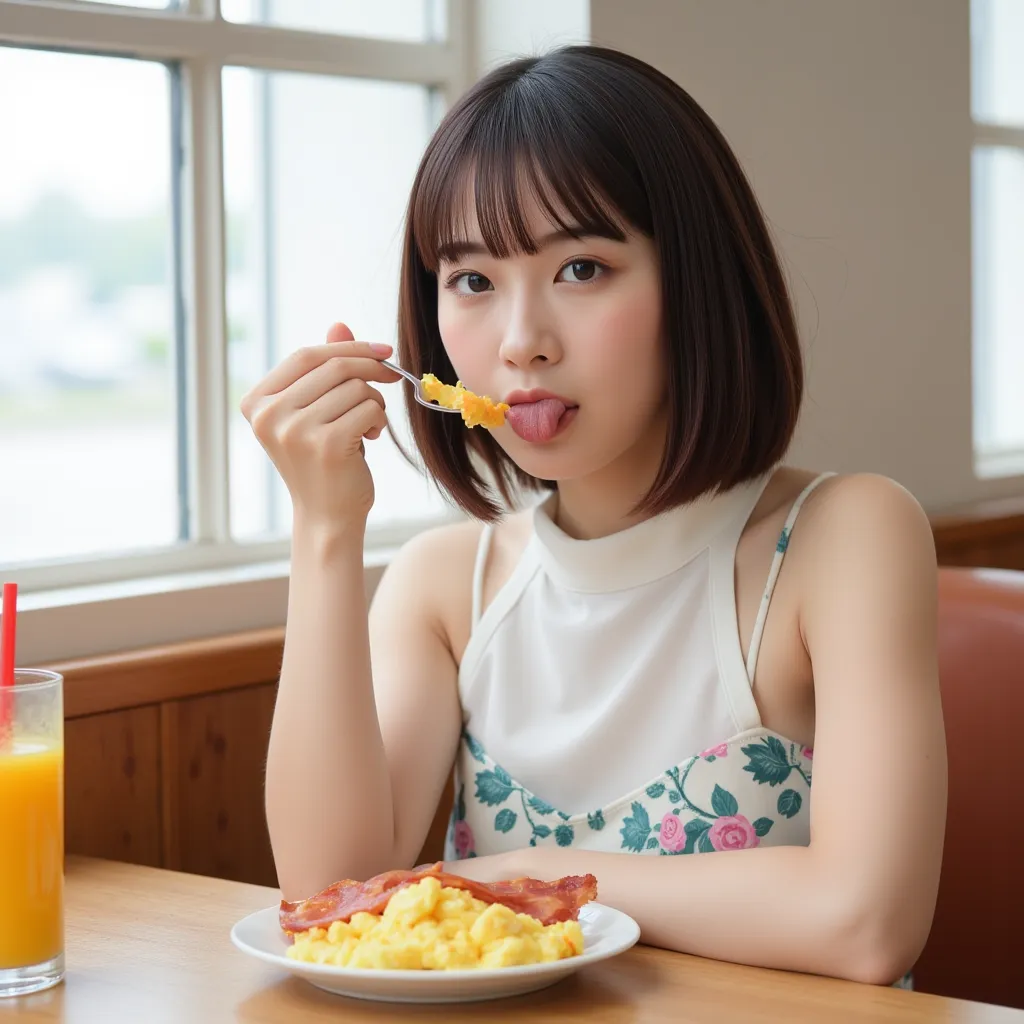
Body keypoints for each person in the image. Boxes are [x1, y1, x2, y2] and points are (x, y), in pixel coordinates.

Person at [241, 45, 946, 986]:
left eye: (580, 268)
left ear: (696, 281)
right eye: (473, 282)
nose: (521, 342)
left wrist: (535, 875)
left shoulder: (843, 538)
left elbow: (866, 926)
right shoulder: (450, 586)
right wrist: (325, 530)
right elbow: (332, 896)